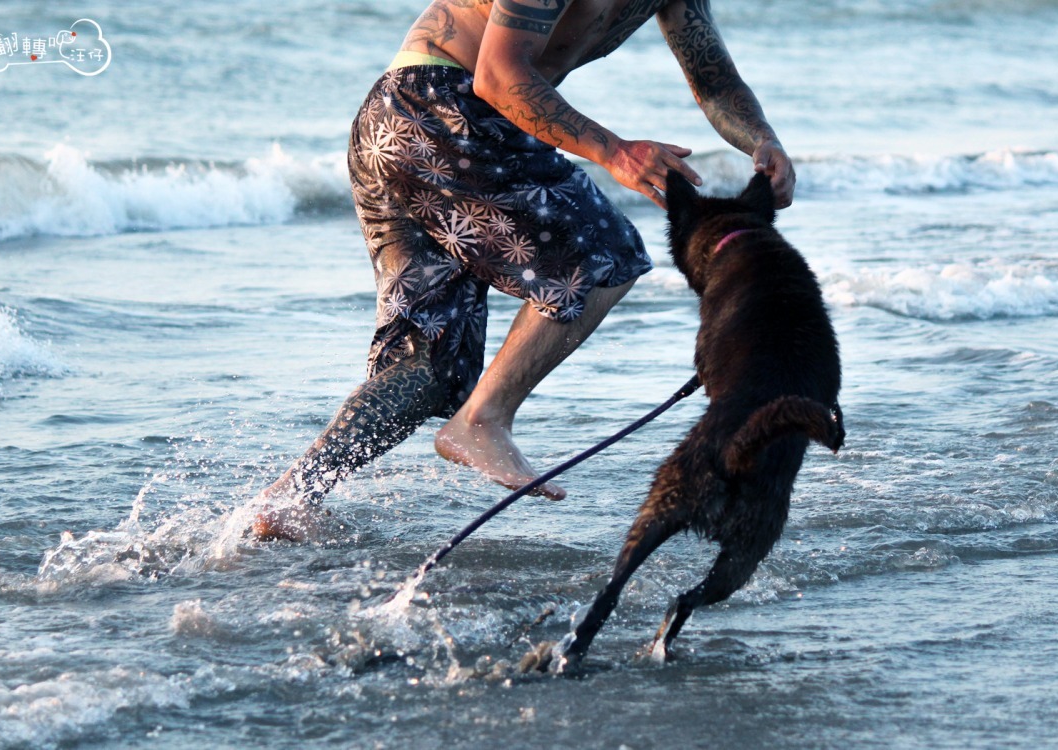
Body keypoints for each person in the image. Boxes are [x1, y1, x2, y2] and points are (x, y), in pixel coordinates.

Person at [251, 0, 796, 541]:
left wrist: (761, 139)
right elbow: (497, 73)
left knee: (435, 363)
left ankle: (288, 498)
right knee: (604, 255)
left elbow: (714, 80)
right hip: (439, 108)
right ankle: (483, 419)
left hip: (404, 123)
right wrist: (615, 152)